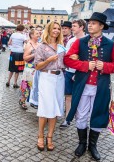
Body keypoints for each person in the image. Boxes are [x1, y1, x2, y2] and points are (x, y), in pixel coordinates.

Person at [64, 12, 114, 160]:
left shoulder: (111, 44)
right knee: (81, 115)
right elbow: (67, 60)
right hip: (83, 85)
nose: (90, 25)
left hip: (101, 86)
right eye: (89, 22)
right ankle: (82, 143)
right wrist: (84, 65)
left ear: (101, 26)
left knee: (98, 115)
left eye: (94, 23)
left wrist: (105, 66)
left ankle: (93, 145)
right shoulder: (80, 42)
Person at [34, 21, 65, 152]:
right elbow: (37, 66)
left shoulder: (62, 46)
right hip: (46, 78)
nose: (56, 31)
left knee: (56, 108)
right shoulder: (42, 46)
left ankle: (50, 136)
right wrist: (48, 60)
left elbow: (66, 62)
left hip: (60, 78)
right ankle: (40, 136)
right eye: (54, 28)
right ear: (49, 29)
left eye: (58, 29)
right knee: (46, 107)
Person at [60, 19, 86, 129]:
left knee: (82, 97)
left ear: (81, 27)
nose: (72, 28)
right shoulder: (71, 41)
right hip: (70, 72)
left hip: (82, 73)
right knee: (68, 96)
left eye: (74, 26)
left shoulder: (88, 40)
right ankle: (67, 119)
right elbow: (68, 56)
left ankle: (81, 120)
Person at [20, 29, 40, 109]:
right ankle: (22, 100)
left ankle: (34, 101)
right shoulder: (29, 44)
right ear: (31, 35)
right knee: (27, 86)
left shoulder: (39, 44)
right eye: (37, 33)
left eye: (39, 33)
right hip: (30, 69)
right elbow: (25, 58)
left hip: (38, 68)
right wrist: (34, 55)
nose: (39, 35)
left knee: (35, 86)